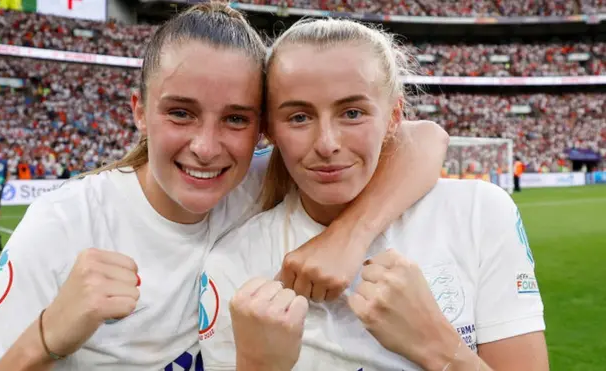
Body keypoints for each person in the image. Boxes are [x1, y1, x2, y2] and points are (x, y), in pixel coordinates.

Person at [0, 4, 449, 371]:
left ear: (262, 130)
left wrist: (349, 236)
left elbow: (425, 138)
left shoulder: (258, 185)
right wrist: (46, 337)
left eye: (235, 118)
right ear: (139, 112)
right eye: (180, 112)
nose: (207, 148)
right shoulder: (67, 222)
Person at [200, 18, 549, 371]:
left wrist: (439, 348)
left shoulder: (478, 213)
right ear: (270, 130)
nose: (327, 144)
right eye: (299, 117)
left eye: (352, 113)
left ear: (394, 116)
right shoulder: (233, 263)